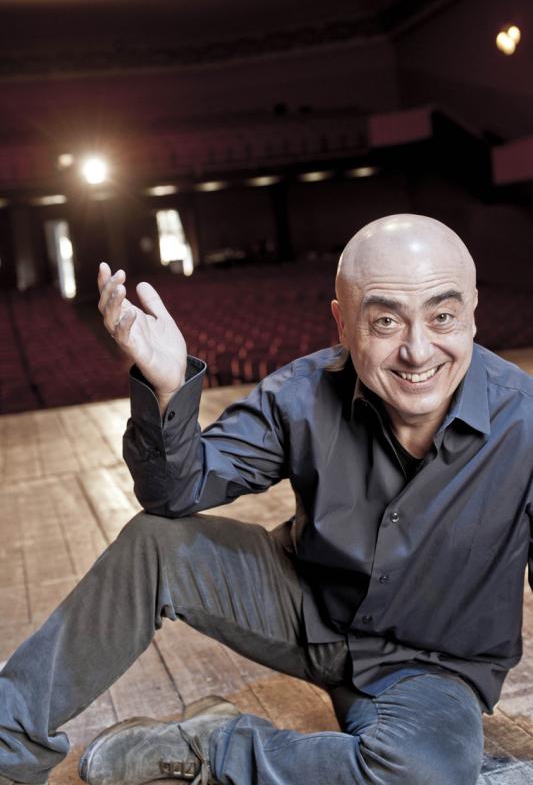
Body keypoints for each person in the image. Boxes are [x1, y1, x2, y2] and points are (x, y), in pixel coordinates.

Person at [0, 213, 532, 785]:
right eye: (385, 321)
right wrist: (167, 387)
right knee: (155, 542)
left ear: (472, 312)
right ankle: (6, 747)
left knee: (425, 774)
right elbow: (175, 494)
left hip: (429, 668)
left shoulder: (526, 422)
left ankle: (212, 746)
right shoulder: (299, 394)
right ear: (343, 323)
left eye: (442, 316)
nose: (418, 351)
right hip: (305, 611)